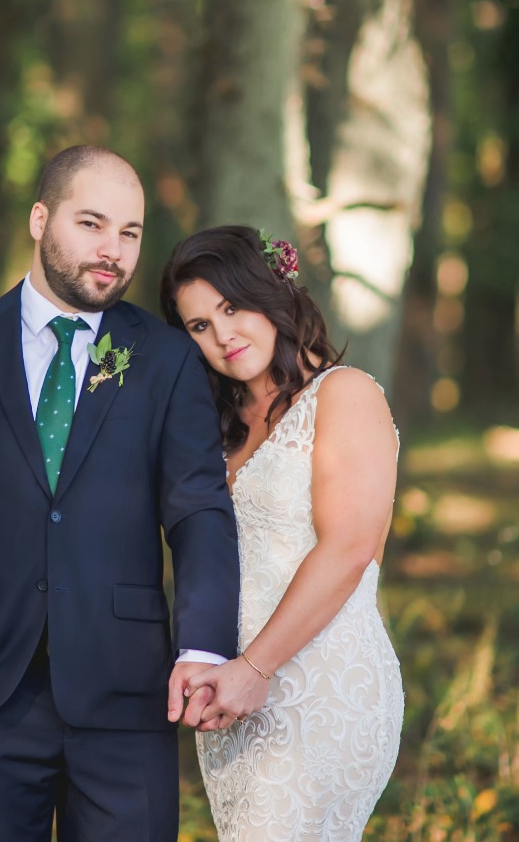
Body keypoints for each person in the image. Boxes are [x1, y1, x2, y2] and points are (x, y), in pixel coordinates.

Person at [0, 146, 240, 842]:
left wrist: (205, 645)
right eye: (92, 223)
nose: (113, 250)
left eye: (129, 232)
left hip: (128, 688)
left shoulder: (165, 359)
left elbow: (198, 509)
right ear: (40, 218)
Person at [160, 225, 404, 842]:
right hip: (237, 697)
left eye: (232, 307)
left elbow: (349, 546)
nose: (223, 336)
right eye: (199, 326)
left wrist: (254, 668)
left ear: (271, 293)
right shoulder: (214, 428)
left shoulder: (345, 395)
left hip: (322, 684)